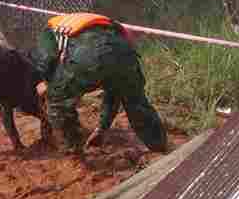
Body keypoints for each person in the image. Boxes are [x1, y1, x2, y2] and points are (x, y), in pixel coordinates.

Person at [32, 12, 168, 154]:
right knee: (136, 102)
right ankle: (160, 147)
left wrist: (44, 79)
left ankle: (74, 151)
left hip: (86, 54)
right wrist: (102, 129)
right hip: (124, 54)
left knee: (57, 102)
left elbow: (47, 56)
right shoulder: (109, 25)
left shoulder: (50, 28)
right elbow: (114, 93)